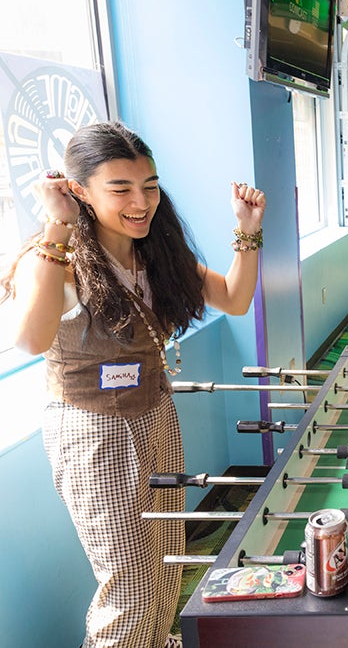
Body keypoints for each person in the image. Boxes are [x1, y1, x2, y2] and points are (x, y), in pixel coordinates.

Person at [0, 121, 266, 648]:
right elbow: (29, 340)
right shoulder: (53, 258)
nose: (140, 201)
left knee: (166, 571)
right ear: (78, 191)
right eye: (120, 189)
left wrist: (247, 228)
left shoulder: (152, 254)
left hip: (154, 417)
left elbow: (234, 299)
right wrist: (56, 229)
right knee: (132, 590)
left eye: (149, 185)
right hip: (93, 433)